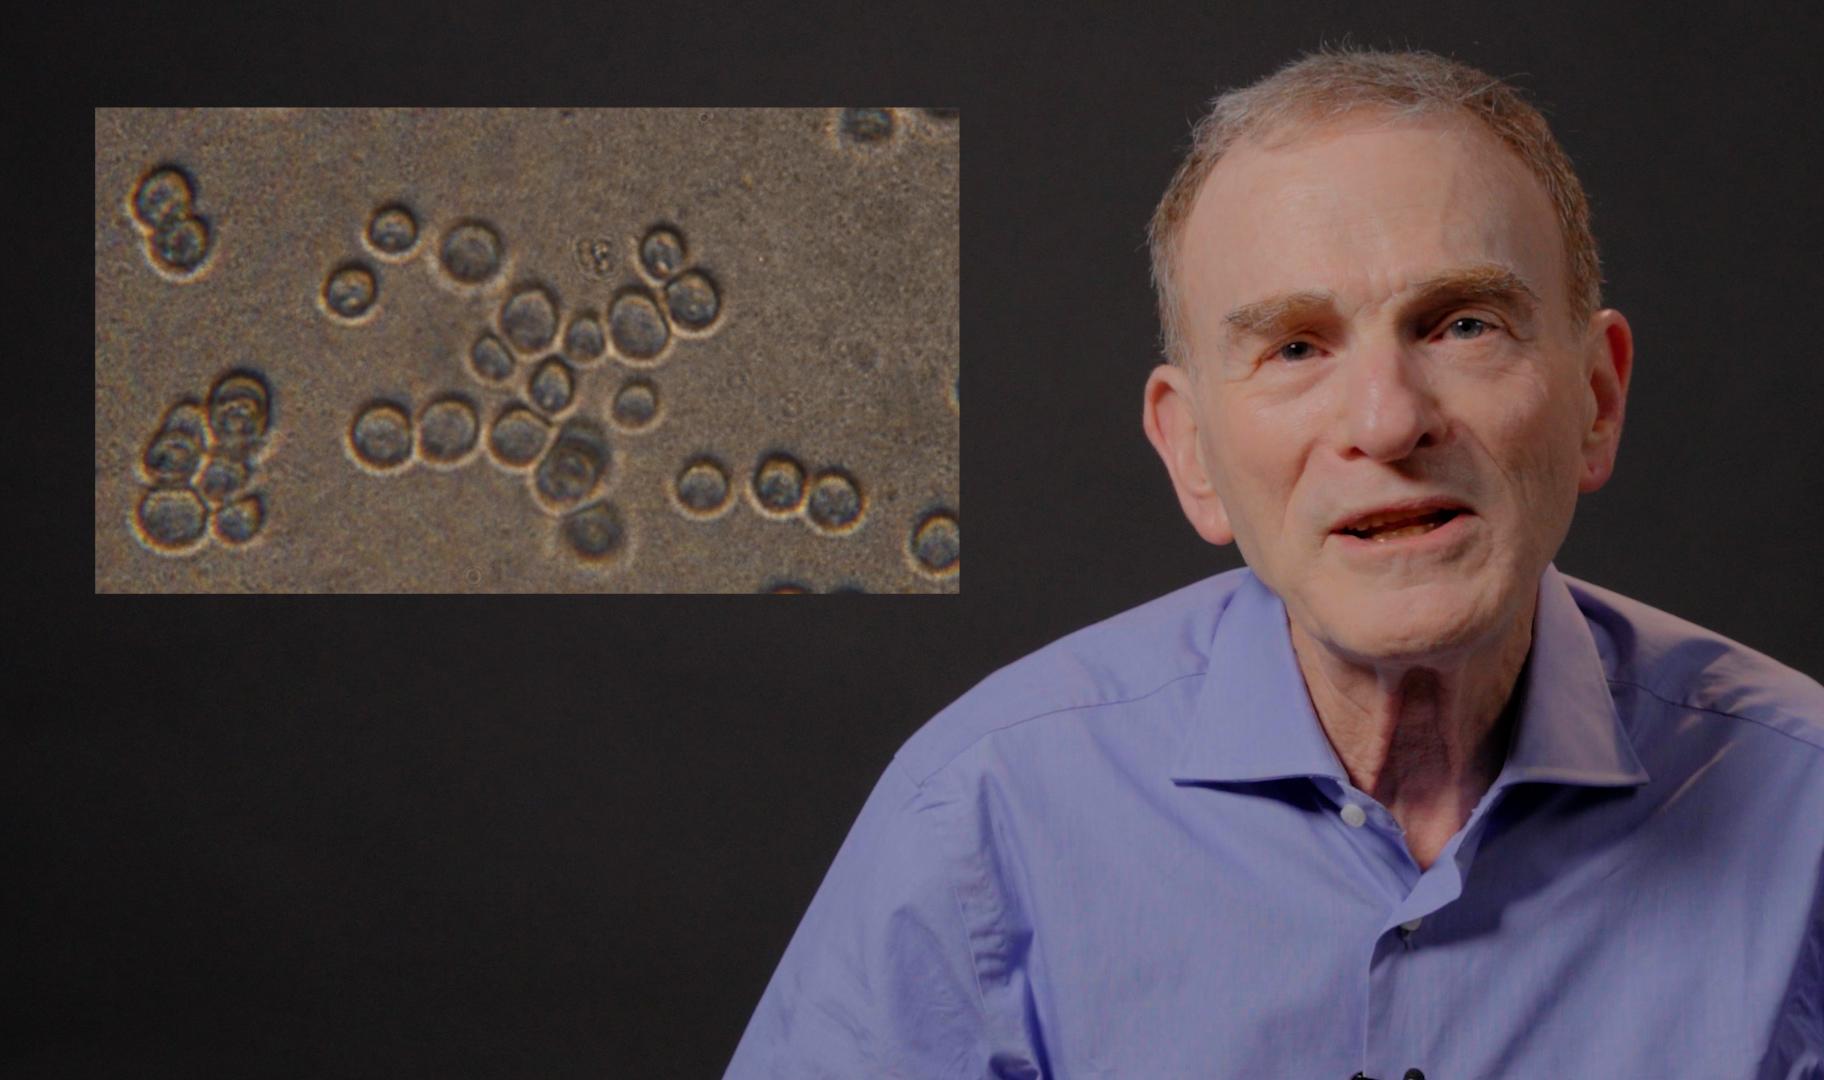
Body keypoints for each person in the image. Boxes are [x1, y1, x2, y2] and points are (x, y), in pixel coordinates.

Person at [723, 48, 1824, 1080]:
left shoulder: (1804, 809)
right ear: (1192, 453)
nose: (1389, 422)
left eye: (1464, 324)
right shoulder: (976, 820)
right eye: (1295, 348)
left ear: (1596, 397)